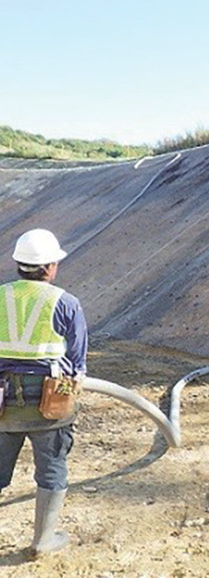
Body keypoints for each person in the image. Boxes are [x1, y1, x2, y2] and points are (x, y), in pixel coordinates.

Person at [0, 229, 87, 556]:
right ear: (50, 267)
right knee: (52, 468)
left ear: (19, 264)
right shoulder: (65, 303)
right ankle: (43, 540)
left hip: (2, 400)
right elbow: (77, 363)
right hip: (52, 398)